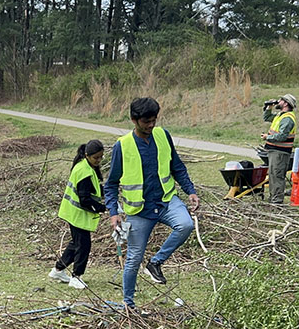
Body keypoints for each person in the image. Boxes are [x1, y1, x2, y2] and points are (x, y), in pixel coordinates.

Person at [104, 97, 199, 309]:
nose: (150, 125)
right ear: (133, 120)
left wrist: (190, 191)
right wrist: (113, 212)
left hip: (166, 200)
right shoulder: (123, 145)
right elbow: (110, 184)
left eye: (153, 120)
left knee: (185, 225)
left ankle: (156, 262)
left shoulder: (163, 135)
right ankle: (128, 304)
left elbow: (178, 167)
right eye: (146, 122)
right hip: (140, 210)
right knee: (133, 259)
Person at [49, 140, 106, 290]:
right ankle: (76, 277)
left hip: (73, 213)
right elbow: (85, 199)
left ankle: (58, 270)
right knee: (83, 246)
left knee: (76, 243)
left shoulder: (85, 166)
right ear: (87, 155)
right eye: (96, 158)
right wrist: (102, 208)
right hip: (78, 215)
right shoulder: (84, 171)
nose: (98, 160)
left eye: (101, 157)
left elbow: (93, 189)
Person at [261, 93, 297, 204]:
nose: (278, 101)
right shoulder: (280, 115)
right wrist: (269, 108)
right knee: (272, 174)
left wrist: (268, 137)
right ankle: (273, 199)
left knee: (277, 175)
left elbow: (282, 136)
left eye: (281, 100)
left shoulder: (288, 119)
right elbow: (267, 117)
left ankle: (277, 201)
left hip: (280, 152)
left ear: (286, 103)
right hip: (274, 150)